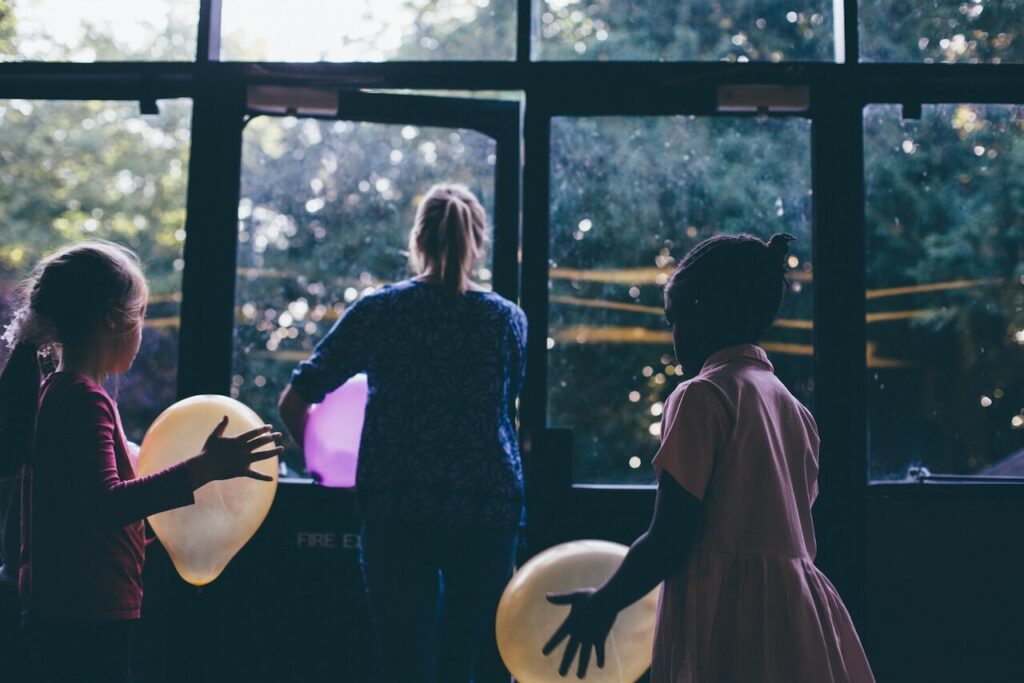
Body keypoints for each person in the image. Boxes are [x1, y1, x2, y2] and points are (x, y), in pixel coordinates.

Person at [543, 233, 874, 682]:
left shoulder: (702, 396)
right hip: (797, 614)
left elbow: (670, 536)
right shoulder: (794, 410)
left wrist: (604, 604)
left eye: (673, 319)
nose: (673, 336)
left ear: (702, 313)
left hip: (729, 615)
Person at [0, 240, 283, 682]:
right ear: (114, 319)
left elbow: (79, 510)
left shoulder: (64, 392)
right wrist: (206, 467)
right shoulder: (82, 400)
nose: (143, 330)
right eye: (142, 315)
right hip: (84, 614)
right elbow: (106, 505)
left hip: (70, 610)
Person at [279, 183, 528, 683]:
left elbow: (294, 401)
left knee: (402, 663)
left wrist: (326, 468)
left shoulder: (381, 310)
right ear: (477, 242)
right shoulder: (507, 319)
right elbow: (505, 412)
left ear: (418, 241)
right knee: (468, 663)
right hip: (486, 504)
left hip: (397, 505)